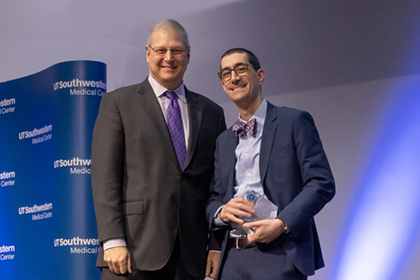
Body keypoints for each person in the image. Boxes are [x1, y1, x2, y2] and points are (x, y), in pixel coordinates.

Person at [91, 19, 226, 280]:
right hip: (132, 253)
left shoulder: (211, 112)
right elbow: (104, 178)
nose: (168, 58)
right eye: (161, 50)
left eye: (176, 50)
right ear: (147, 53)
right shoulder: (118, 103)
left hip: (191, 256)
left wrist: (216, 245)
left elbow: (218, 185)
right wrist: (112, 240)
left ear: (188, 54)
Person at [206, 48, 335, 280]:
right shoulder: (223, 141)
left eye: (241, 69)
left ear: (260, 75)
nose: (233, 77)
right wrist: (221, 212)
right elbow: (214, 196)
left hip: (280, 253)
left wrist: (282, 223)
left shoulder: (294, 121)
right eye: (226, 74)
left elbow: (321, 183)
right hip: (232, 260)